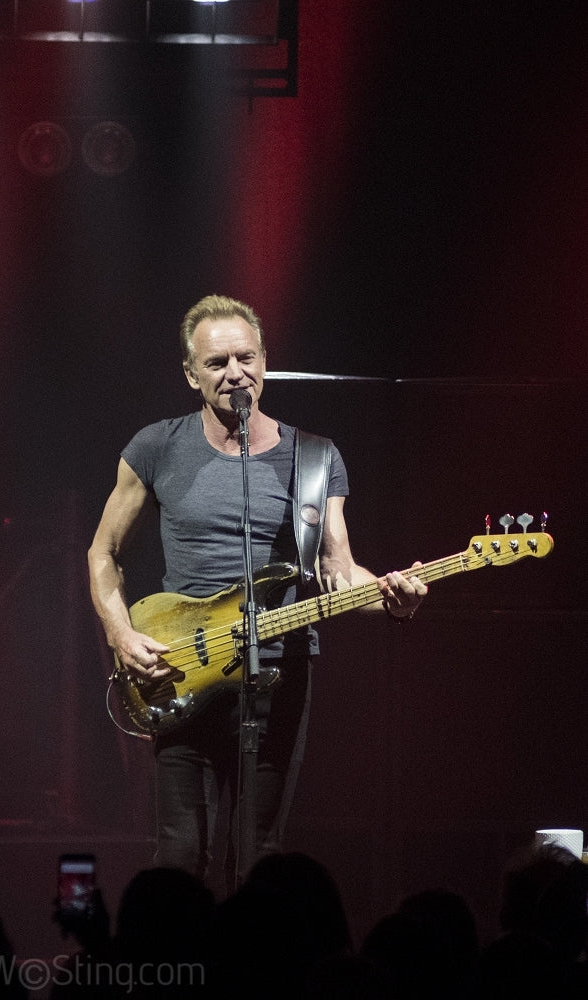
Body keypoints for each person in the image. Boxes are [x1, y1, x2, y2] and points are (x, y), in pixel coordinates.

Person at [87, 294, 427, 891]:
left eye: (245, 358)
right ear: (191, 374)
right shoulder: (156, 447)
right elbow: (103, 553)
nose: (235, 373)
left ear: (265, 361)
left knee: (259, 859)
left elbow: (339, 570)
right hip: (180, 668)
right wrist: (121, 634)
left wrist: (392, 600)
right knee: (179, 855)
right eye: (216, 363)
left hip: (278, 673)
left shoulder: (315, 458)